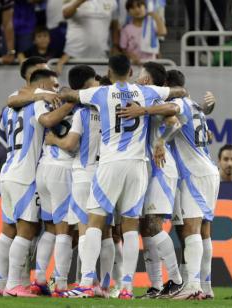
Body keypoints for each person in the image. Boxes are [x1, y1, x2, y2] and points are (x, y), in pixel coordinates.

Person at [58, 55, 187, 299]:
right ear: (130, 72)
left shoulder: (101, 93)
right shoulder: (146, 91)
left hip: (110, 164)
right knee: (130, 227)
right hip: (138, 166)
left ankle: (86, 283)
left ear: (109, 71)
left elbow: (69, 95)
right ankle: (127, 287)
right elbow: (179, 91)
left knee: (95, 221)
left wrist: (57, 94)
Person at [0, 69, 79, 297]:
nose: (56, 89)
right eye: (53, 85)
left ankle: (2, 284)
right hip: (25, 173)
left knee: (8, 230)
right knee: (27, 229)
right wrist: (72, 101)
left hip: (8, 172)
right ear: (41, 84)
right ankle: (13, 284)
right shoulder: (40, 101)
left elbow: (12, 101)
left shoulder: (13, 104)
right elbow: (48, 119)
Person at [42, 65, 115, 298]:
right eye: (94, 79)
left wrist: (54, 140)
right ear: (88, 83)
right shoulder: (111, 109)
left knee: (85, 229)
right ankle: (104, 284)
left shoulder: (82, 112)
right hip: (107, 173)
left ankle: (85, 282)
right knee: (107, 232)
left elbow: (71, 144)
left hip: (84, 173)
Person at [164, 69, 220, 300]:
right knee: (204, 231)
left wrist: (160, 140)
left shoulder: (178, 104)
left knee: (191, 229)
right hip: (208, 169)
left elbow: (173, 124)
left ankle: (193, 286)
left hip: (194, 173)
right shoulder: (196, 107)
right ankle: (205, 286)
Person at [135, 62, 183, 299]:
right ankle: (155, 286)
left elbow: (174, 120)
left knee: (153, 225)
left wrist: (161, 141)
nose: (136, 77)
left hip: (162, 168)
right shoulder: (143, 99)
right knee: (146, 228)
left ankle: (176, 281)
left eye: (140, 74)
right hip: (148, 169)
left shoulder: (153, 100)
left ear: (146, 80)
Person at [56, 0, 120, 74]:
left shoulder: (112, 1)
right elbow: (65, 14)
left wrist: (115, 45)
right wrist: (79, 2)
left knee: (98, 84)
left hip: (100, 55)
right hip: (73, 56)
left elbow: (115, 25)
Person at [120, 0, 167, 65]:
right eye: (132, 8)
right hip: (134, 64)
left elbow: (162, 33)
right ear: (128, 12)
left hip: (151, 63)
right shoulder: (126, 29)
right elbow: (123, 49)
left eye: (139, 6)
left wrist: (156, 16)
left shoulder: (151, 25)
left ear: (145, 8)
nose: (136, 10)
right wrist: (131, 56)